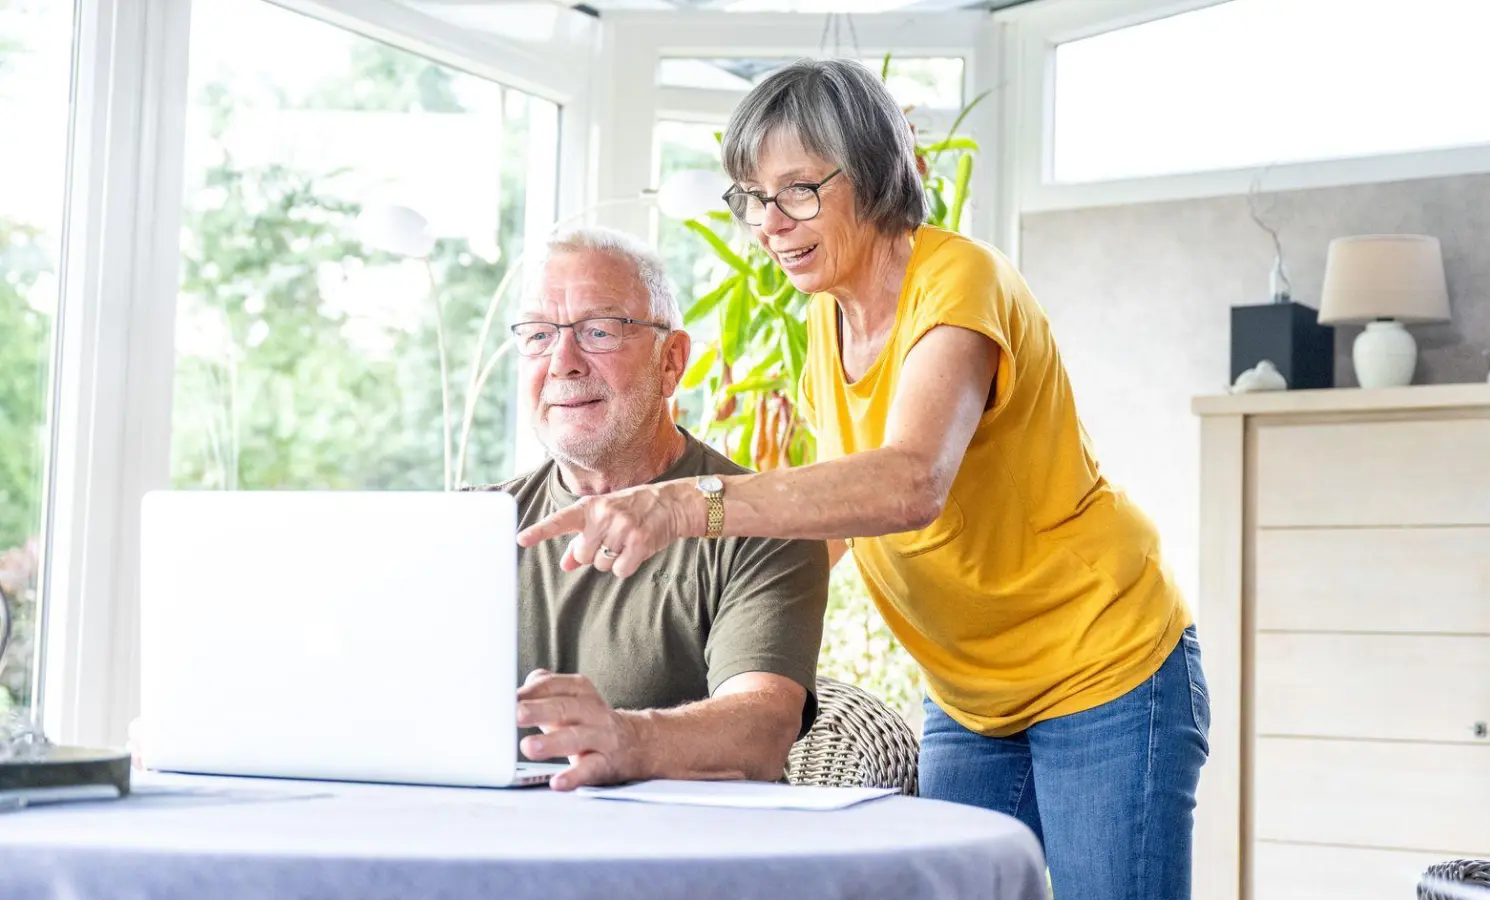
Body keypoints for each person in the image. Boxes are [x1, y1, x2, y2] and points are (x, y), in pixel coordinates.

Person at [515, 60, 1208, 898]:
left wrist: (684, 507)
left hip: (1103, 662)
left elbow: (911, 482)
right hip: (968, 692)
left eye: (798, 190)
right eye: (753, 198)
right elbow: (834, 516)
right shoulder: (827, 318)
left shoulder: (959, 282)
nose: (769, 223)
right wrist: (729, 642)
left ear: (876, 172)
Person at [132, 227, 831, 794]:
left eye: (599, 331)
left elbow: (761, 732)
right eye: (536, 335)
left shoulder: (753, 523)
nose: (562, 361)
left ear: (672, 362)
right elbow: (357, 695)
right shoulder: (466, 531)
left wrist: (627, 738)